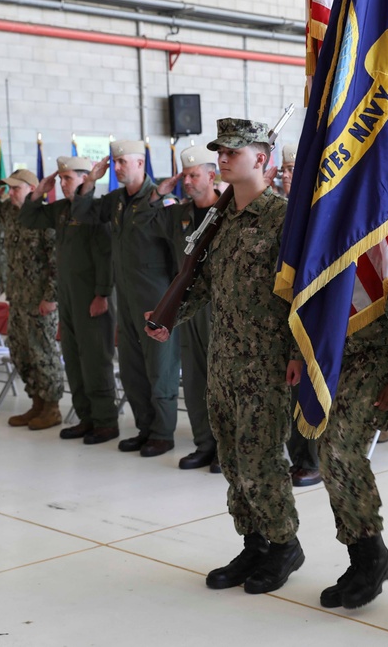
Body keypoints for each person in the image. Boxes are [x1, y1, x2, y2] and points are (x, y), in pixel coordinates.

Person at [145, 118, 304, 595]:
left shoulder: (284, 218)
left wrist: (298, 351)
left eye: (234, 150)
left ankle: (283, 544)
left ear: (262, 158)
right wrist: (170, 315)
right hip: (224, 359)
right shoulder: (222, 217)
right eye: (221, 150)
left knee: (262, 461)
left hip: (267, 362)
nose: (224, 157)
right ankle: (252, 542)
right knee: (233, 462)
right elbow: (207, 284)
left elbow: (305, 293)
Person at [314, 222, 388, 612]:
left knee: (340, 453)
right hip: (334, 356)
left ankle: (371, 555)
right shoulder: (335, 226)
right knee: (331, 456)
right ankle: (361, 555)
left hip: (379, 359)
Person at [72, 140, 180, 458]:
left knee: (160, 368)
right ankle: (145, 429)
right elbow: (83, 213)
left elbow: (177, 255)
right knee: (132, 370)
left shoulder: (163, 201)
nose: (117, 168)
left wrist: (173, 303)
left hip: (155, 299)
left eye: (123, 162)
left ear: (140, 163)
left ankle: (163, 433)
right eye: (114, 162)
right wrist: (89, 181)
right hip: (127, 299)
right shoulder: (117, 200)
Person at [22, 156, 119, 444]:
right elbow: (28, 218)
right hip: (68, 297)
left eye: (68, 178)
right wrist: (39, 191)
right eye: (61, 179)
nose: (63, 183)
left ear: (85, 179)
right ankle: (85, 418)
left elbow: (105, 255)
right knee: (75, 362)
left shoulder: (94, 211)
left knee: (95, 360)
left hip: (92, 297)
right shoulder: (62, 210)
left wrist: (102, 293)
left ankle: (105, 421)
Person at [139, 145, 223, 472]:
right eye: (184, 175)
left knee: (220, 381)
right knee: (195, 378)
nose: (187, 181)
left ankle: (224, 449)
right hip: (189, 308)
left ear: (211, 176)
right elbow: (143, 222)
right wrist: (159, 191)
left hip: (220, 306)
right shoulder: (181, 214)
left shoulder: (228, 212)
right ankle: (204, 444)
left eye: (194, 174)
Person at [0, 169, 63, 430]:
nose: (12, 193)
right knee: (20, 351)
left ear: (32, 189)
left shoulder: (44, 217)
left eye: (17, 188)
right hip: (17, 296)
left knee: (43, 353)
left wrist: (51, 297)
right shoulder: (9, 213)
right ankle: (36, 403)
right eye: (10, 188)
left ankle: (51, 408)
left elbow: (56, 263)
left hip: (40, 300)